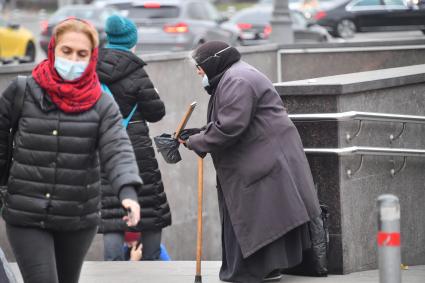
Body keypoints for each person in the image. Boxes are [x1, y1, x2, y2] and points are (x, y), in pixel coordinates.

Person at [0, 18, 142, 283]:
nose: (73, 59)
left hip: (76, 216)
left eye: (82, 54)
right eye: (67, 51)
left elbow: (117, 147)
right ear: (53, 49)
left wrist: (128, 192)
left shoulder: (102, 102)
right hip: (26, 212)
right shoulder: (22, 90)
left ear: (92, 57)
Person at [179, 41, 322, 283]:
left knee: (257, 216)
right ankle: (264, 270)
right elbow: (230, 120)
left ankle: (258, 271)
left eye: (200, 68)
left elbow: (231, 127)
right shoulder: (236, 75)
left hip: (264, 158)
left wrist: (196, 142)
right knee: (262, 215)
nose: (199, 73)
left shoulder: (237, 80)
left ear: (213, 62)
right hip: (264, 155)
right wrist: (200, 134)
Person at [97, 14, 171, 261]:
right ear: (131, 41)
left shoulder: (92, 70)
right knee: (149, 207)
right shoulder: (136, 71)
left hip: (104, 148)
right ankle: (151, 265)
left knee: (111, 212)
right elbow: (156, 112)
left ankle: (112, 269)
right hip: (136, 147)